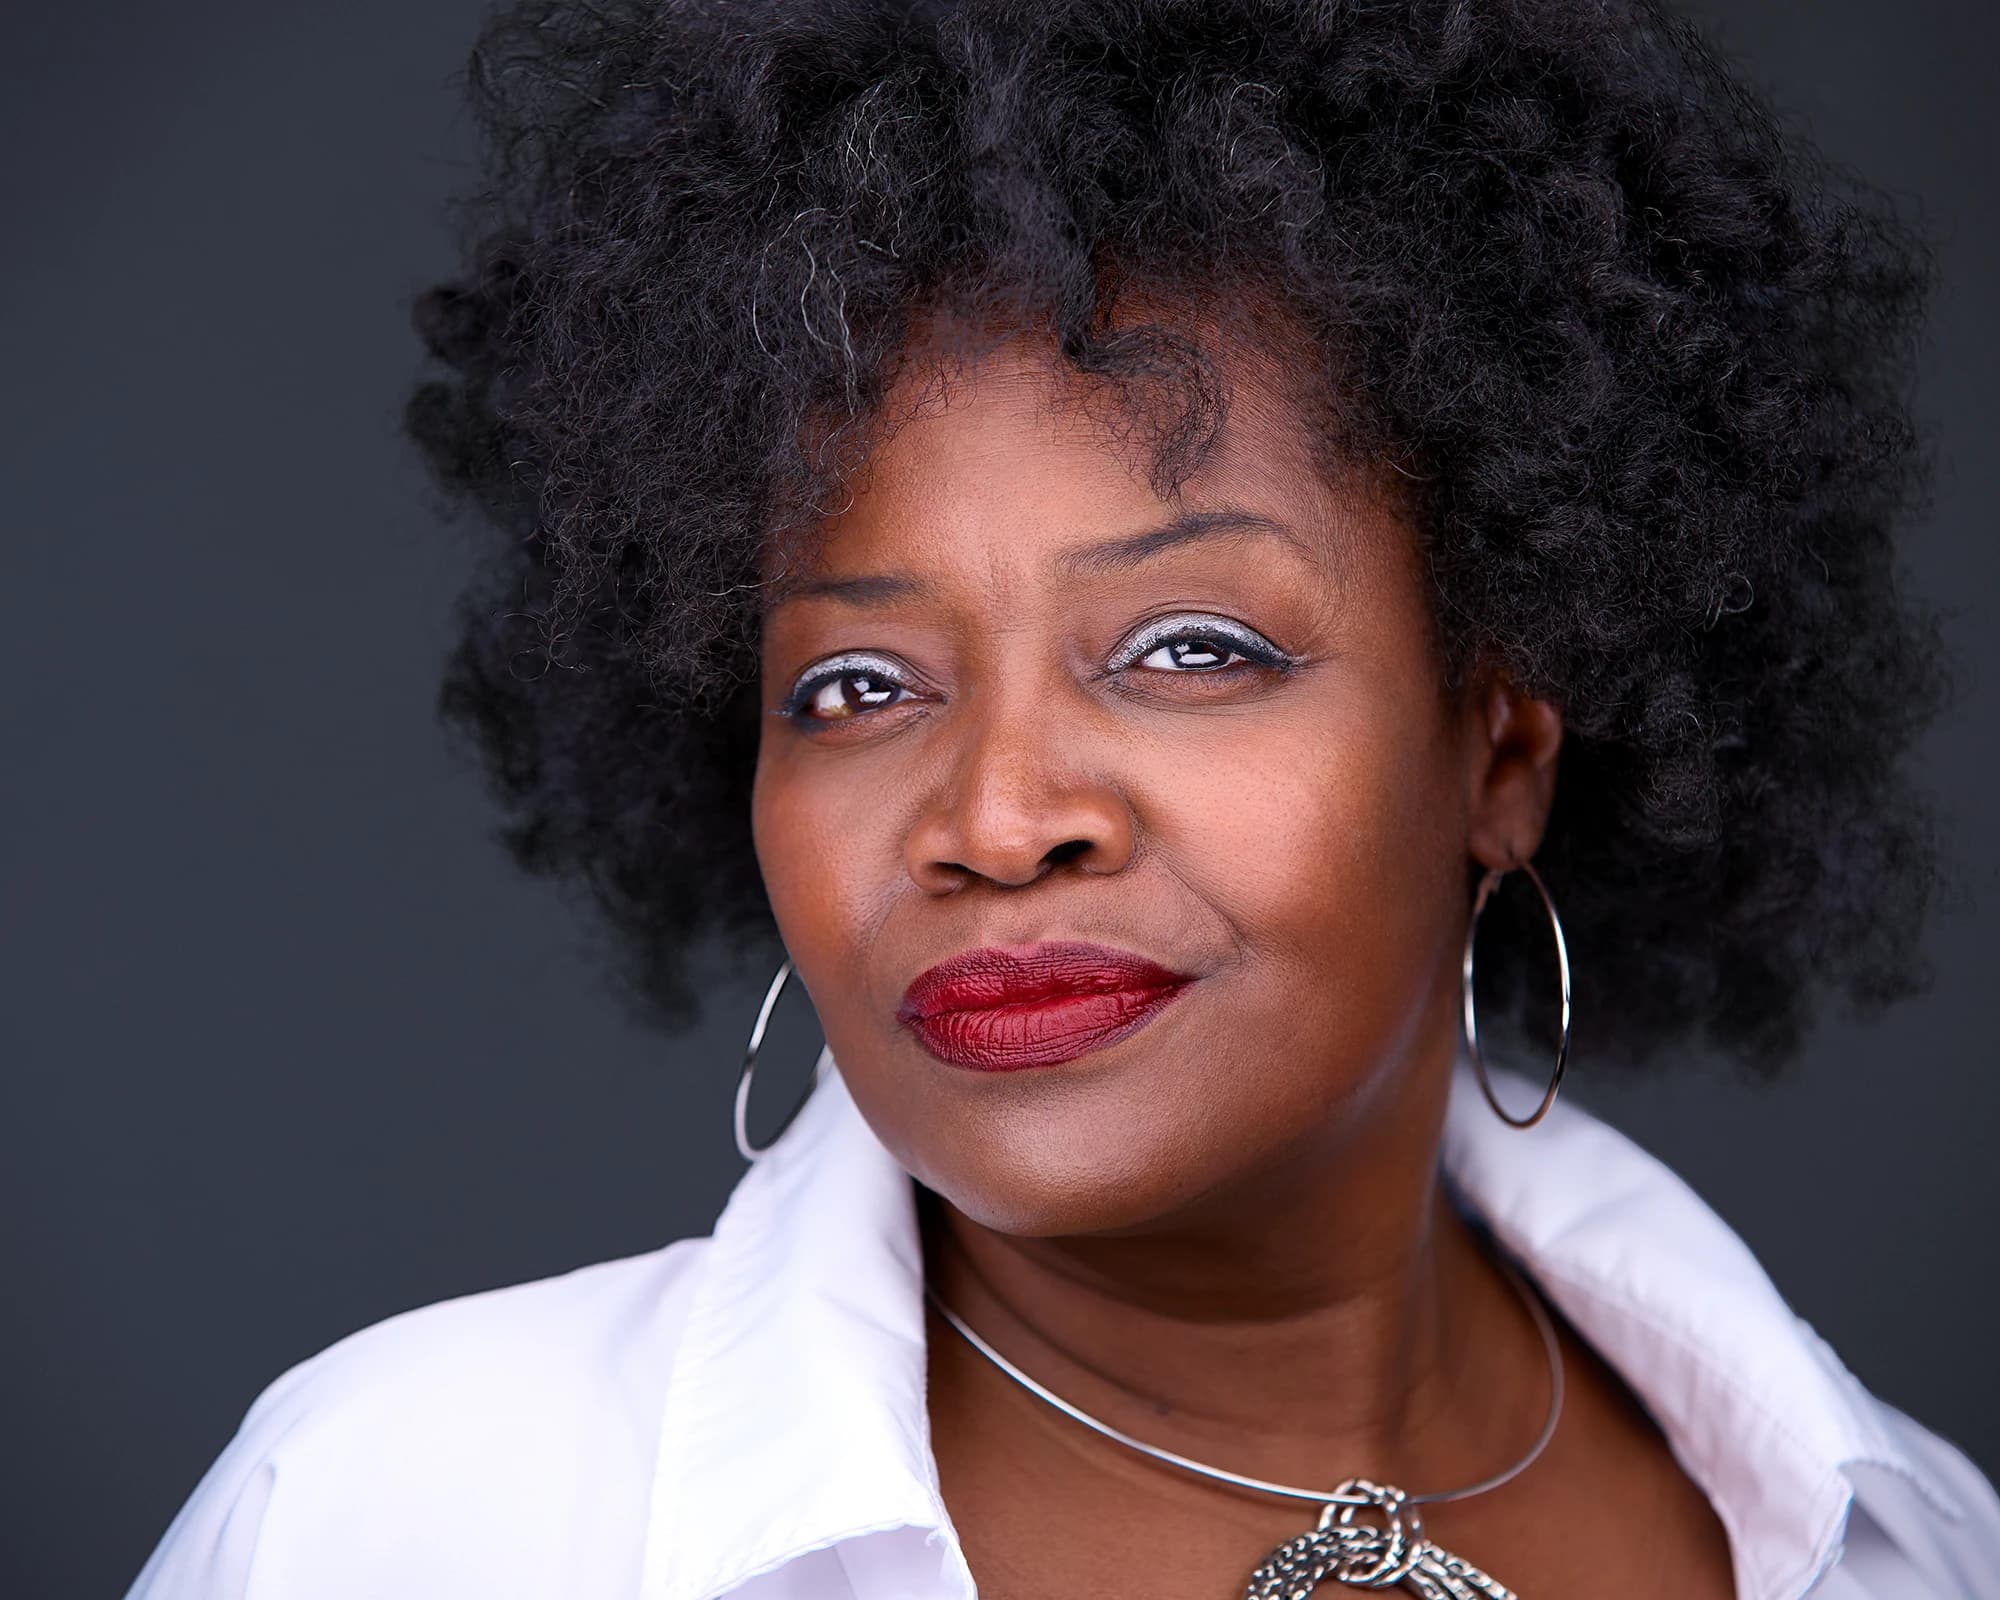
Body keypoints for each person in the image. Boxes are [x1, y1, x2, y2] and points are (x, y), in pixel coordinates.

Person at [127, 0, 1999, 1596]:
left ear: (1498, 752)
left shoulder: (1901, 1540)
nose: (998, 817)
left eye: (1189, 646)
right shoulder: (414, 1518)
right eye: (858, 686)